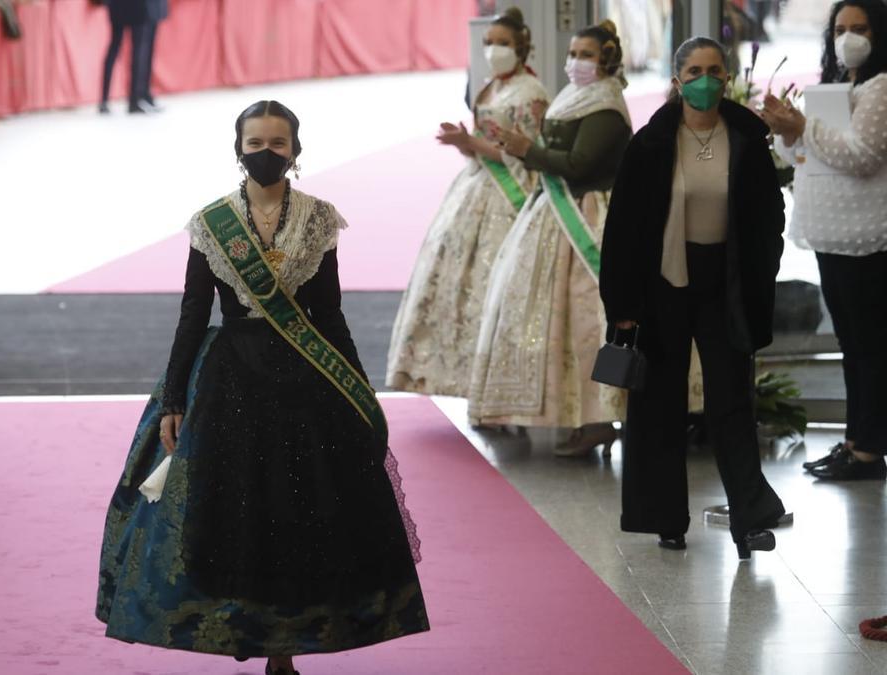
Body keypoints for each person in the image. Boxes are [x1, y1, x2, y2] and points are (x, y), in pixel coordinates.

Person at [96, 101, 429, 675]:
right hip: (231, 384)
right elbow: (193, 315)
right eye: (256, 143)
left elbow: (330, 314)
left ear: (296, 152)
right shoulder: (211, 222)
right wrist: (174, 400)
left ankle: (286, 651)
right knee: (234, 517)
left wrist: (359, 392)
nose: (266, 153)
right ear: (238, 149)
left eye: (278, 143)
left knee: (302, 516)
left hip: (307, 385)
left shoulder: (321, 218)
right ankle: (239, 627)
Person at [600, 37, 787, 558]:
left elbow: (770, 214)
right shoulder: (652, 143)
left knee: (732, 400)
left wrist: (762, 271)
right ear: (678, 79)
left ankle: (750, 519)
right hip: (663, 283)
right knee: (660, 402)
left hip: (726, 282)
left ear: (726, 77)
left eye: (715, 70)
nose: (706, 80)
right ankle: (665, 517)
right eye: (695, 70)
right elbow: (623, 233)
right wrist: (623, 308)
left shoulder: (747, 134)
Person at [466, 21, 630, 455]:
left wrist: (526, 149)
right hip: (555, 211)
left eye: (587, 55)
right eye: (573, 53)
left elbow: (578, 164)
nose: (576, 62)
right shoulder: (575, 96)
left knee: (587, 320)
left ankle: (597, 418)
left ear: (607, 60)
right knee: (550, 320)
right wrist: (518, 143)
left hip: (588, 215)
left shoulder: (607, 107)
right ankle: (556, 411)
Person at [387, 7, 548, 397]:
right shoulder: (489, 86)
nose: (494, 50)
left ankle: (498, 385)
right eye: (489, 43)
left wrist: (470, 143)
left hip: (510, 191)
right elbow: (481, 144)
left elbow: (524, 152)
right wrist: (466, 143)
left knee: (495, 279)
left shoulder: (532, 93)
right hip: (476, 185)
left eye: (503, 43)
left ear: (521, 47)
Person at [763, 0, 887, 481]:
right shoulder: (841, 86)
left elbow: (862, 156)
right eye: (841, 28)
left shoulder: (881, 88)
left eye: (861, 28)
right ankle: (856, 440)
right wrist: (786, 130)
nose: (849, 37)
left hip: (869, 235)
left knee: (870, 345)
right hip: (835, 233)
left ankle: (869, 449)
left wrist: (804, 129)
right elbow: (805, 153)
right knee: (853, 345)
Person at [99, 0, 158, 114]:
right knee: (138, 51)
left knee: (115, 47)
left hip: (117, 5)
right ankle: (134, 100)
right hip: (138, 6)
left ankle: (104, 100)